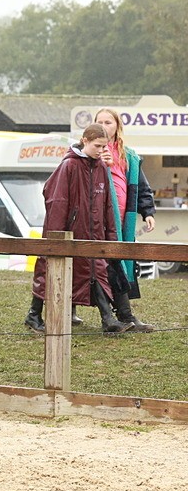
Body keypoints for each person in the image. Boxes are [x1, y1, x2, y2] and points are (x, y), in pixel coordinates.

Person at [25, 124, 130, 335]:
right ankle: (34, 314)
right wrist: (56, 236)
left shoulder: (101, 168)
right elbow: (57, 201)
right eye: (97, 146)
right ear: (85, 141)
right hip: (69, 233)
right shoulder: (69, 166)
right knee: (49, 269)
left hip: (94, 234)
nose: (101, 150)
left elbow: (108, 205)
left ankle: (107, 318)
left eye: (104, 146)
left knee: (96, 271)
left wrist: (110, 235)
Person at [93, 107, 156, 332]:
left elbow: (141, 187)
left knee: (119, 264)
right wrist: (100, 163)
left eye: (108, 122)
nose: (103, 126)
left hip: (122, 221)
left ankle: (124, 316)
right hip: (98, 222)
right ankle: (117, 317)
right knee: (103, 266)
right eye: (99, 122)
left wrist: (148, 212)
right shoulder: (90, 151)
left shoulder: (129, 155)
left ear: (117, 126)